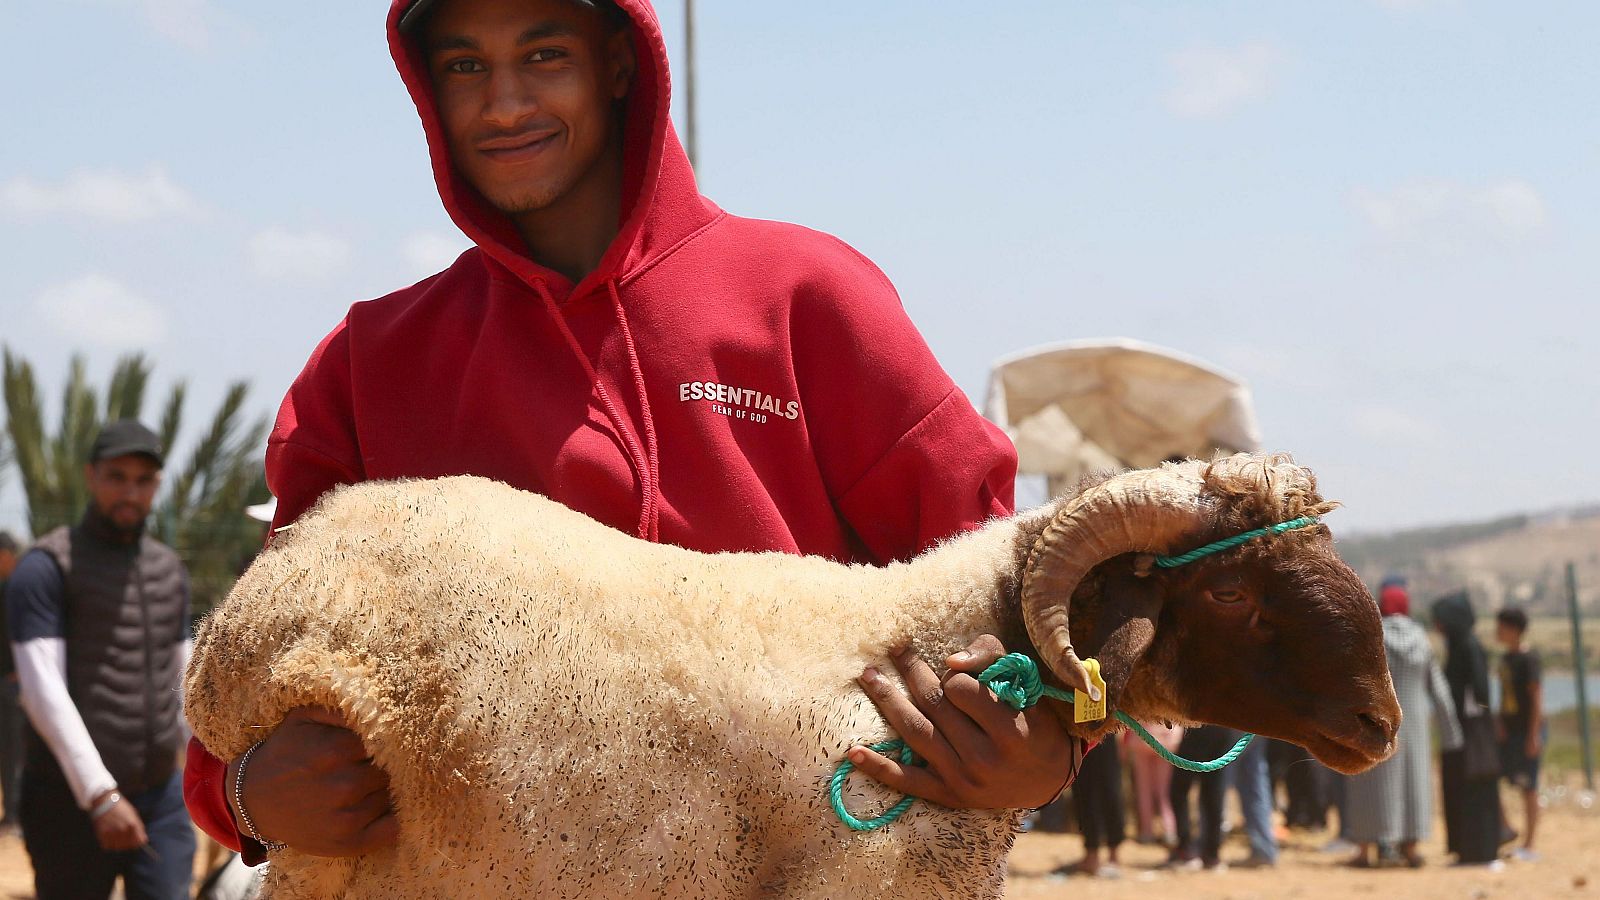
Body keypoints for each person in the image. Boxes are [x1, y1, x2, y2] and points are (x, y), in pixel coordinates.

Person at [184, 0, 1078, 862]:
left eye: (544, 56)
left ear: (619, 62)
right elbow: (257, 662)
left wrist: (1055, 743)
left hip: (794, 865)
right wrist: (243, 796)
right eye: (465, 65)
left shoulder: (808, 297)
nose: (503, 103)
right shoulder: (372, 363)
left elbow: (1006, 579)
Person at [3, 421, 196, 899]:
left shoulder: (168, 572)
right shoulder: (46, 567)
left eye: (144, 480)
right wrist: (100, 795)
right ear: (91, 476)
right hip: (69, 805)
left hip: (160, 797)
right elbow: (42, 691)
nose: (131, 492)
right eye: (117, 476)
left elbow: (185, 681)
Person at [1342, 580, 1461, 868]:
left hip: (1377, 721)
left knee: (1370, 784)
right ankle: (1410, 848)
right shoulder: (1421, 638)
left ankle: (1364, 850)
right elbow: (1439, 688)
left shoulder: (1373, 637)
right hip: (1416, 723)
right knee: (1414, 782)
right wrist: (1451, 734)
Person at [1432, 590, 1505, 867]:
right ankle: (1465, 850)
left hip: (1472, 733)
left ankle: (1483, 851)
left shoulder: (1468, 646)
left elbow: (1479, 692)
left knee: (1476, 788)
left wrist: (1472, 720)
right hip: (1461, 731)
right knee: (1459, 789)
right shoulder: (1458, 644)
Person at [1495, 605, 1544, 862]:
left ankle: (1530, 844)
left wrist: (1533, 735)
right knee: (1494, 776)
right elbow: (1504, 696)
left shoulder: (1529, 659)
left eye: (1501, 627)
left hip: (1526, 731)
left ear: (1514, 630)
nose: (1497, 632)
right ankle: (1508, 828)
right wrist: (1500, 722)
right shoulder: (1505, 660)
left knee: (1529, 787)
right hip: (1509, 731)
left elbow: (1536, 698)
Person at [1168, 725, 1237, 871]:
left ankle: (1186, 850)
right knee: (1213, 790)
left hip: (1201, 727)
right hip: (1221, 728)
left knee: (1179, 790)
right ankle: (1211, 853)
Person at [1058, 738, 1125, 877]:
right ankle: (1103, 855)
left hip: (1090, 729)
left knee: (1097, 789)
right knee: (1101, 787)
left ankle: (1099, 855)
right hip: (1097, 729)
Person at [1225, 727, 1278, 868]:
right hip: (1255, 719)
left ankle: (1207, 848)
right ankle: (1264, 849)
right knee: (1254, 780)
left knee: (1219, 779)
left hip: (1233, 719)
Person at [1124, 720, 1181, 846]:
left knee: (1143, 790)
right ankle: (1169, 830)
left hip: (1141, 738)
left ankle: (1146, 832)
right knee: (1164, 791)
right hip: (1167, 739)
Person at [0, 530, 23, 835]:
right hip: (6, 681)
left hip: (16, 685)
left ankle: (17, 814)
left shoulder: (23, 587)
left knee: (16, 750)